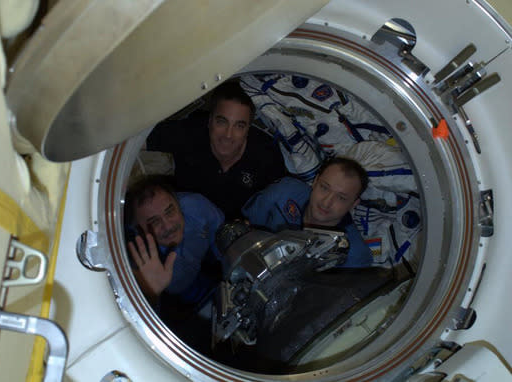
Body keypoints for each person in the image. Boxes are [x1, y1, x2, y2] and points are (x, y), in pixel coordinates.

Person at [147, 81, 287, 220]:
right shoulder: (190, 133)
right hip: (190, 223)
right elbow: (137, 139)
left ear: (248, 129)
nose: (228, 135)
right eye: (222, 122)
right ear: (209, 121)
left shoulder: (266, 155)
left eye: (239, 126)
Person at [242, 157, 373, 268]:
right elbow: (245, 228)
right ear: (315, 182)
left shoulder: (354, 255)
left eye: (341, 198)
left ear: (354, 204)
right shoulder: (284, 192)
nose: (326, 203)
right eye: (324, 188)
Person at [124, 175, 224, 307]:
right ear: (139, 230)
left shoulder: (198, 207)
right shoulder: (135, 264)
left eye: (169, 211)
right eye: (154, 221)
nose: (168, 226)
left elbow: (222, 234)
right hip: (178, 299)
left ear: (179, 204)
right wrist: (151, 292)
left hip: (211, 266)